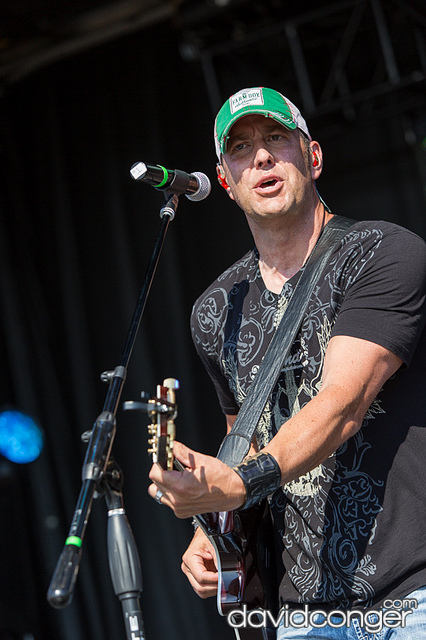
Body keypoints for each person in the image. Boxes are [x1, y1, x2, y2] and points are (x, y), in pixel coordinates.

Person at [148, 86, 426, 639]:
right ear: (226, 182)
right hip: (301, 614)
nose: (262, 156)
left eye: (276, 137)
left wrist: (236, 484)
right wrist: (214, 522)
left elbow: (342, 403)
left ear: (313, 156)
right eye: (242, 147)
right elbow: (245, 437)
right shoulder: (216, 310)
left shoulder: (382, 252)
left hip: (411, 595)